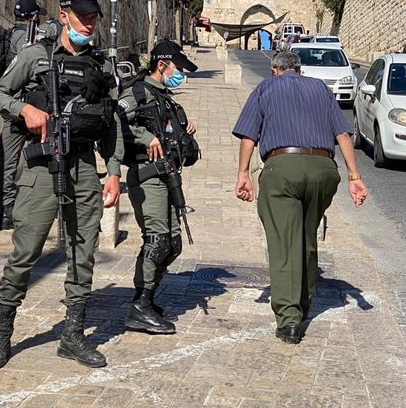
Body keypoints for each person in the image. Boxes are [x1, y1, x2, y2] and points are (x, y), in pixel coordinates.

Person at [0, 0, 123, 370]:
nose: (89, 24)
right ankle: (1, 332)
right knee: (26, 251)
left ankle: (73, 334)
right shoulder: (35, 56)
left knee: (83, 250)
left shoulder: (100, 66)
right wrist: (24, 108)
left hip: (82, 168)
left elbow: (111, 124)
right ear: (64, 15)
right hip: (41, 167)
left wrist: (112, 171)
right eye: (83, 17)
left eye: (94, 18)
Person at [232, 51, 368, 345]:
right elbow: (343, 134)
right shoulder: (320, 88)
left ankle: (290, 319)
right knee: (307, 237)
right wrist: (355, 178)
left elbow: (248, 137)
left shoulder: (266, 88)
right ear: (299, 70)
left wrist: (243, 173)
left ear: (274, 69)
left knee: (284, 243)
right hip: (323, 170)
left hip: (283, 168)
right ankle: (304, 304)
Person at [118, 40, 199, 334]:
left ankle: (147, 298)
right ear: (162, 65)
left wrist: (184, 130)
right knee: (157, 240)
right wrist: (144, 137)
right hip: (147, 176)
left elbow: (166, 130)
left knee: (173, 243)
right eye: (178, 68)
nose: (181, 75)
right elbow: (116, 120)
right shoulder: (136, 92)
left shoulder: (165, 96)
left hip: (168, 176)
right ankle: (140, 305)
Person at [0, 0, 47, 230]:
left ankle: (6, 211)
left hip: (10, 107)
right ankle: (30, 207)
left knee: (7, 159)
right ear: (34, 17)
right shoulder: (30, 38)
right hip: (29, 108)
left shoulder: (7, 36)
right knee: (43, 154)